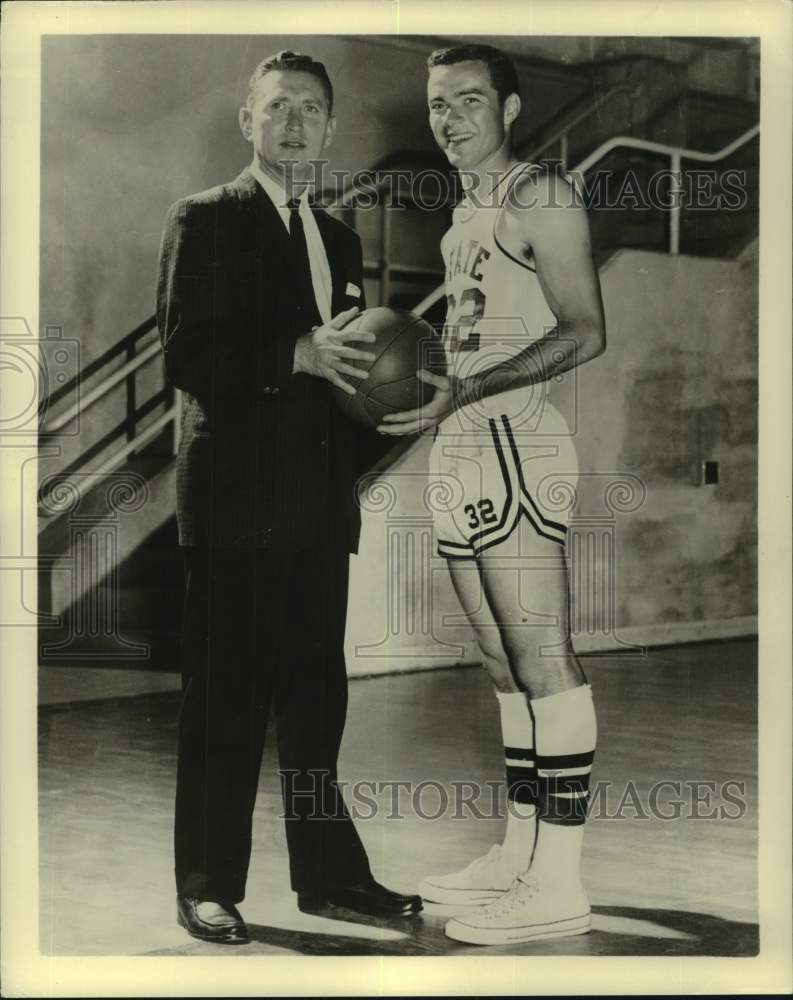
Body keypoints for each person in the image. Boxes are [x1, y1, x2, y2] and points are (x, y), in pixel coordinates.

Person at [157, 50, 421, 945]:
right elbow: (187, 357)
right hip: (233, 502)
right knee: (224, 698)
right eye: (279, 108)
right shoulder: (204, 219)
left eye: (312, 108)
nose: (296, 123)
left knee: (316, 703)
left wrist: (388, 413)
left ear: (330, 128)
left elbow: (343, 382)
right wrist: (293, 355)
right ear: (248, 122)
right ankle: (206, 883)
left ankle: (330, 878)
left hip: (314, 504)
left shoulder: (340, 239)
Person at [378, 43, 606, 945]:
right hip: (464, 438)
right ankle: (517, 857)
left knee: (543, 656)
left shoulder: (540, 195)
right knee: (500, 662)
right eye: (437, 103)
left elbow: (587, 331)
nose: (449, 117)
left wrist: (469, 391)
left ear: (510, 110)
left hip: (513, 436)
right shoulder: (465, 210)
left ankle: (559, 881)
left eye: (469, 100)